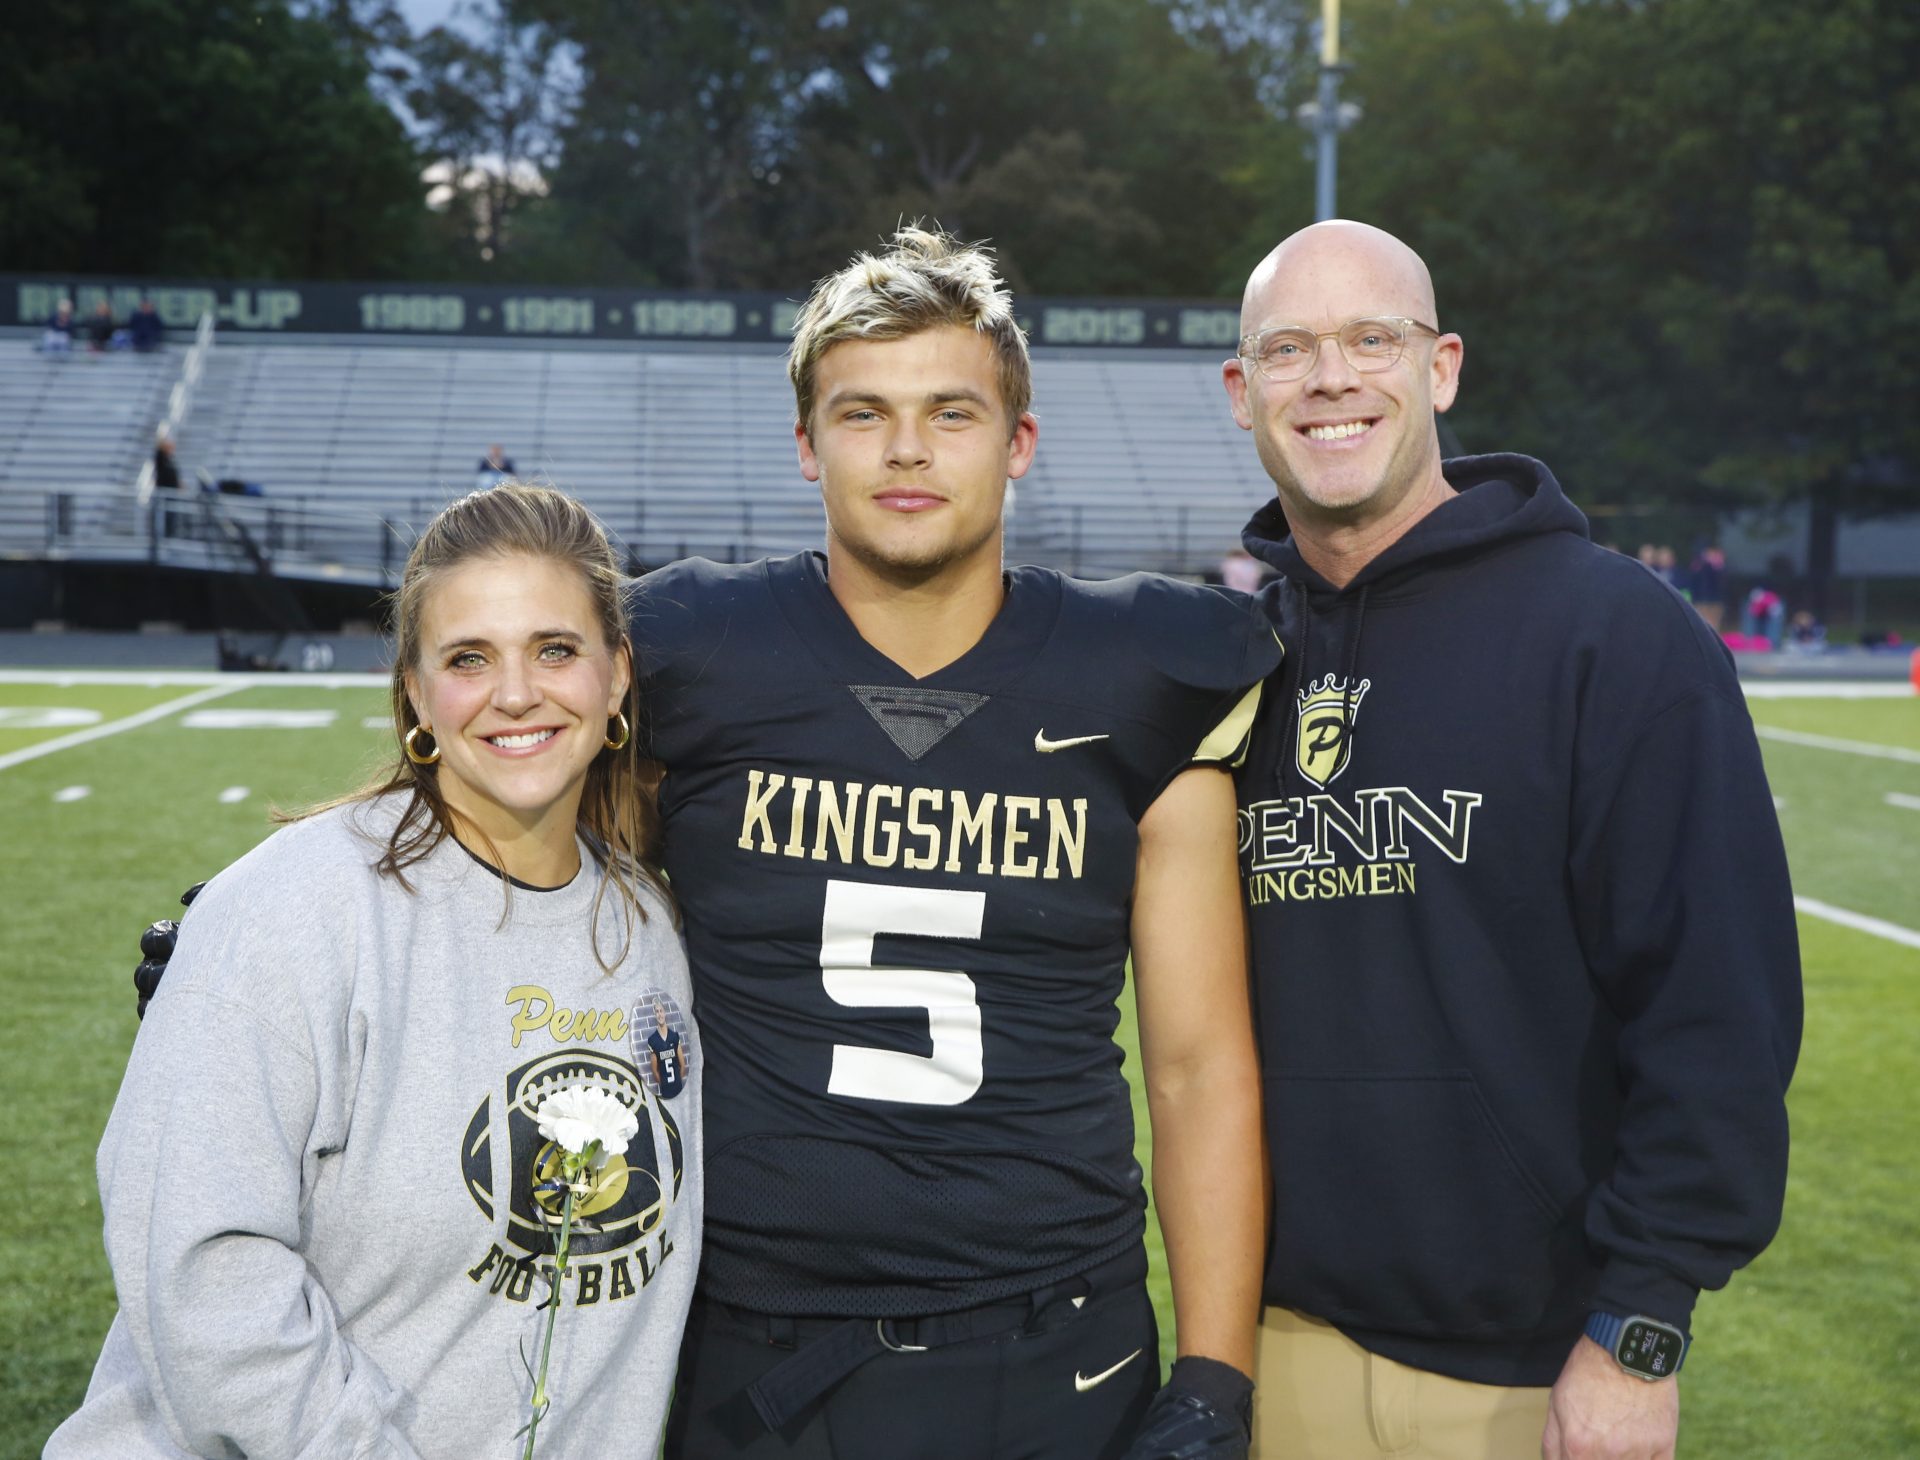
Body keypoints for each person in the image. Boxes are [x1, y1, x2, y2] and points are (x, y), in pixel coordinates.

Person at [127, 230, 1274, 1460]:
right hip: (757, 1346)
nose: (906, 448)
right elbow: (512, 768)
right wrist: (276, 939)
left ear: (1020, 440)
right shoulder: (693, 642)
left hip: (1056, 1335)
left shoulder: (1139, 665)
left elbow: (1197, 1063)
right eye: (862, 412)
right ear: (806, 443)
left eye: (951, 411)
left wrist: (1216, 1373)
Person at [1220, 220, 1801, 1460]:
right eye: (1289, 348)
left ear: (1440, 369)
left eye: (1372, 339)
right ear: (1241, 388)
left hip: (1538, 1370)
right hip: (1281, 1345)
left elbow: (1720, 1012)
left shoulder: (1616, 635)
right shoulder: (1229, 667)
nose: (1330, 377)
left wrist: (1640, 1328)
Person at [56, 484, 700, 1459]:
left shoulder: (652, 928)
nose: (515, 692)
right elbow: (203, 1268)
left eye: (555, 649)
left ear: (617, 677)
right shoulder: (288, 909)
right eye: (469, 657)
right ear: (415, 693)